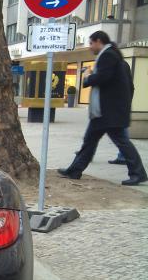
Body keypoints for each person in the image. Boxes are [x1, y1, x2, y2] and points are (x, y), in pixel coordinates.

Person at [59, 31, 147, 186]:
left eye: (91, 43)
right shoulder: (112, 55)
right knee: (90, 141)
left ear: (98, 41)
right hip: (106, 111)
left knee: (120, 142)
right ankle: (74, 170)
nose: (90, 47)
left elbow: (103, 78)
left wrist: (88, 76)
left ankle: (138, 173)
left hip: (108, 111)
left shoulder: (108, 56)